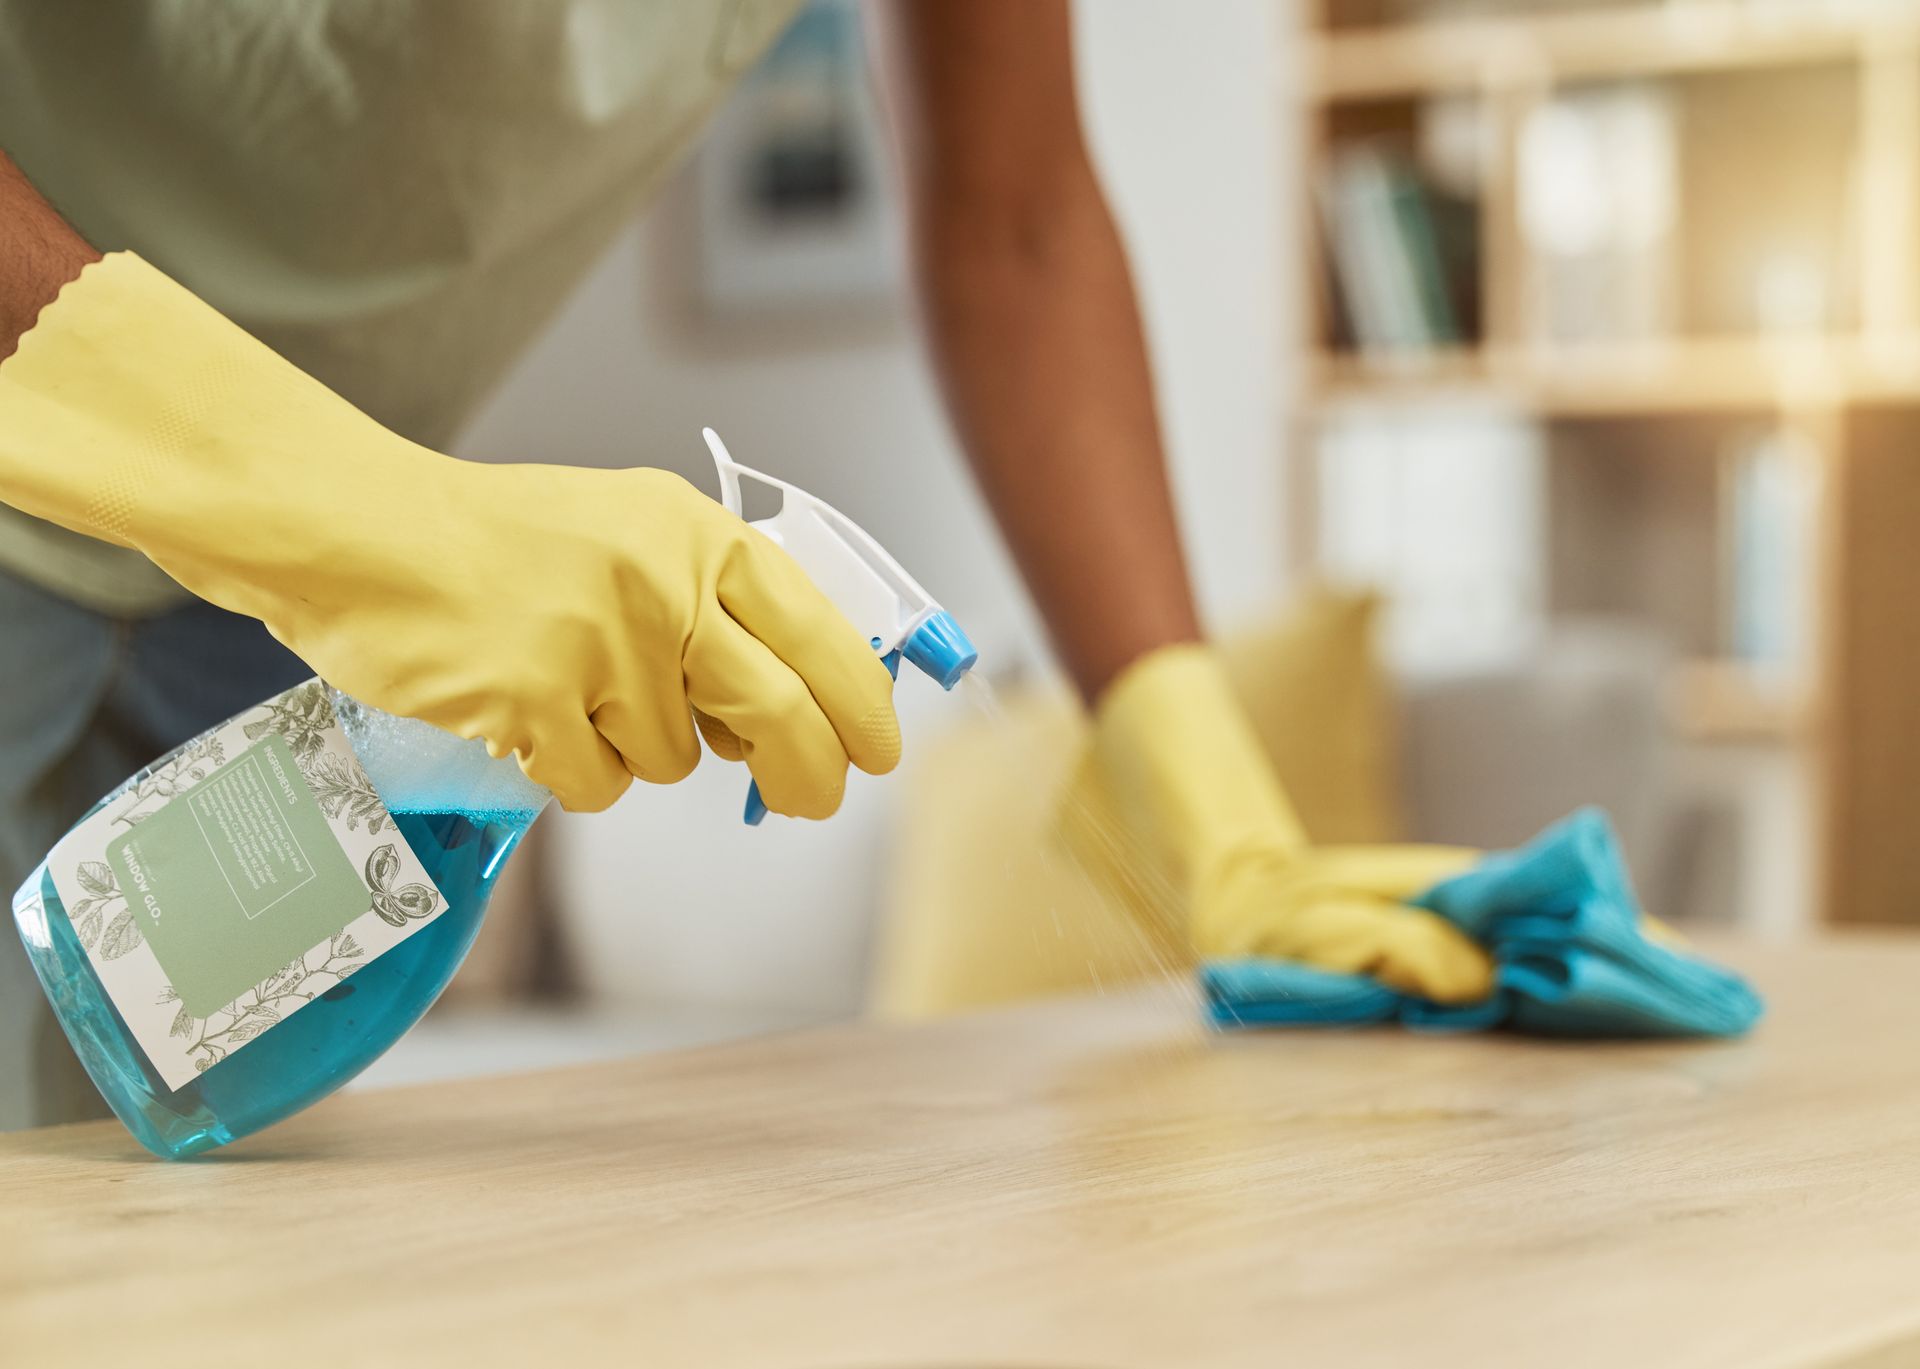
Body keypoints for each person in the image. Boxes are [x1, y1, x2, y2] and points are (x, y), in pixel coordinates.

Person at [0, 1, 1493, 1129]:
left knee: (154, 1259)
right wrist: (352, 517)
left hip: (314, 620)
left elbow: (1017, 219)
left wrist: (1211, 803)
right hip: (142, 475)